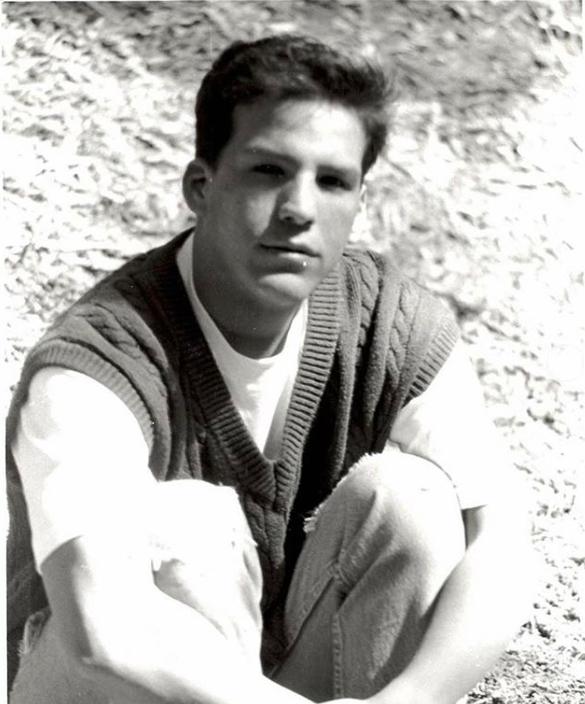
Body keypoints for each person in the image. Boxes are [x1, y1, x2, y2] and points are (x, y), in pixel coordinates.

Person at [6, 34, 534, 704]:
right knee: (183, 528)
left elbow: (504, 547)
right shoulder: (97, 362)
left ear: (358, 204)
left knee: (415, 503)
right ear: (201, 185)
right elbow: (101, 632)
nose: (299, 209)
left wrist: (412, 699)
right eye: (267, 171)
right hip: (95, 687)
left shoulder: (387, 322)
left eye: (332, 181)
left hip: (282, 682)